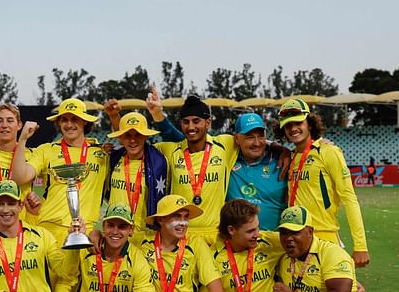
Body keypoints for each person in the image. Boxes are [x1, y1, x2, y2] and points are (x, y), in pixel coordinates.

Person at [274, 99, 370, 268]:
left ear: (309, 124)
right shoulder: (290, 157)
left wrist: (360, 246)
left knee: (338, 291)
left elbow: (349, 199)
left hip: (324, 237)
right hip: (295, 239)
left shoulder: (328, 152)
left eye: (298, 123)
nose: (293, 129)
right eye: (288, 126)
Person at [10, 98, 110, 247]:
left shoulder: (102, 154)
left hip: (86, 231)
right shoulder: (47, 150)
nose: (69, 125)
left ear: (84, 121)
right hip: (50, 229)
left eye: (74, 119)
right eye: (64, 120)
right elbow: (19, 178)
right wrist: (23, 139)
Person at [153, 95, 237, 245]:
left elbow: (255, 140)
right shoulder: (170, 150)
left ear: (208, 123)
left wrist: (280, 149)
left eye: (196, 121)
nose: (191, 127)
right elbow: (134, 145)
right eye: (186, 122)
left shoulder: (225, 144)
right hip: (180, 234)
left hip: (215, 234)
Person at [101, 111, 167, 245]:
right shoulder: (112, 158)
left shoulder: (159, 162)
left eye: (138, 135)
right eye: (128, 135)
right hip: (116, 234)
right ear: (121, 137)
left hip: (145, 236)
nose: (132, 140)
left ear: (145, 136)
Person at [226, 113, 288, 231]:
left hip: (274, 243)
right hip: (237, 244)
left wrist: (323, 143)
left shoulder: (282, 162)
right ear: (237, 139)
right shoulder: (227, 159)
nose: (257, 143)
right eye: (250, 137)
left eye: (261, 136)